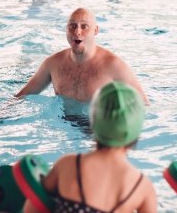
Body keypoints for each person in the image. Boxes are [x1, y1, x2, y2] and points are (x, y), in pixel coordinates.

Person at [24, 81, 157, 213]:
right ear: (136, 132)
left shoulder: (68, 164)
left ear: (93, 121)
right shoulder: (141, 187)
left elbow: (33, 207)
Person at [15, 8, 148, 104]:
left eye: (84, 26)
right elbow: (22, 96)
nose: (77, 32)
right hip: (63, 128)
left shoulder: (114, 66)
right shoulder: (52, 64)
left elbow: (143, 105)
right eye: (72, 26)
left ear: (95, 30)